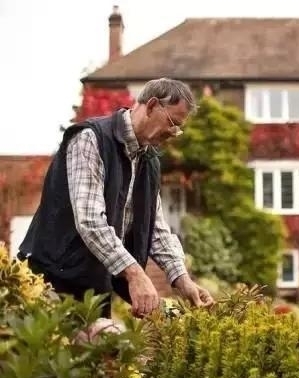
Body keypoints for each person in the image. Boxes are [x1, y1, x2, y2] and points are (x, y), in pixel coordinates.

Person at [18, 78, 213, 318]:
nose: (174, 133)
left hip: (95, 287)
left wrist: (182, 279)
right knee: (53, 353)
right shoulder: (91, 139)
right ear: (151, 106)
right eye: (173, 123)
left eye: (178, 128)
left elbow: (155, 229)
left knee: (103, 352)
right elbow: (90, 221)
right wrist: (135, 274)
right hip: (52, 281)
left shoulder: (148, 161)